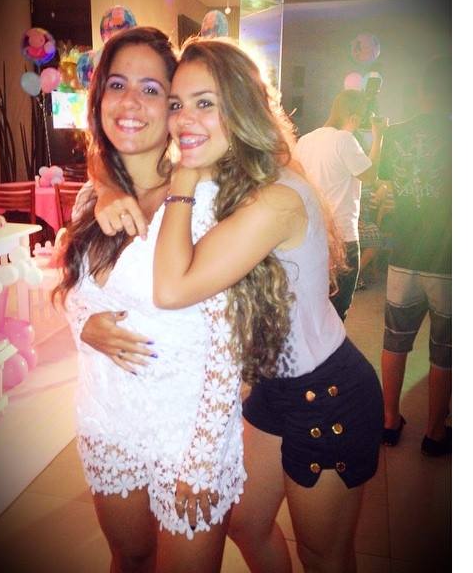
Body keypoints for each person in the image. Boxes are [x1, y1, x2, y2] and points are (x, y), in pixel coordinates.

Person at [94, 37, 384, 573]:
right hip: (271, 387)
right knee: (247, 525)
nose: (185, 119)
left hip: (328, 394)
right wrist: (107, 187)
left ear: (242, 107)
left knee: (323, 555)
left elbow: (171, 289)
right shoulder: (232, 171)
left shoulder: (275, 198)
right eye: (177, 104)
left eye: (205, 102)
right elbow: (119, 159)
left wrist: (182, 176)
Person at [53, 26, 245, 573]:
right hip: (107, 417)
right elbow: (76, 294)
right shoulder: (91, 197)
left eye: (152, 89)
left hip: (185, 431)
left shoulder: (205, 200)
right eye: (117, 85)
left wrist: (202, 459)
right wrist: (84, 325)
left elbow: (229, 346)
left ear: (173, 107)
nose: (131, 102)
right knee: (129, 557)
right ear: (99, 99)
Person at [377, 56, 452, 456]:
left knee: (395, 340)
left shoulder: (396, 134)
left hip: (403, 254)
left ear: (422, 92)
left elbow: (388, 188)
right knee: (445, 350)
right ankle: (435, 434)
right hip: (448, 259)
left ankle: (389, 422)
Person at [292, 90, 386, 320]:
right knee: (336, 313)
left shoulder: (305, 141)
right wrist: (379, 137)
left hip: (310, 236)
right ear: (354, 116)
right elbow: (370, 175)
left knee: (310, 310)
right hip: (342, 239)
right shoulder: (344, 139)